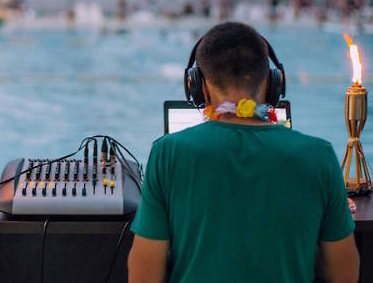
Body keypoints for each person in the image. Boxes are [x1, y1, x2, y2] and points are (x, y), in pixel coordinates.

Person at [128, 22, 359, 283]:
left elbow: (144, 274)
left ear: (198, 87)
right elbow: (344, 275)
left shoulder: (167, 154)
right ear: (274, 83)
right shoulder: (320, 156)